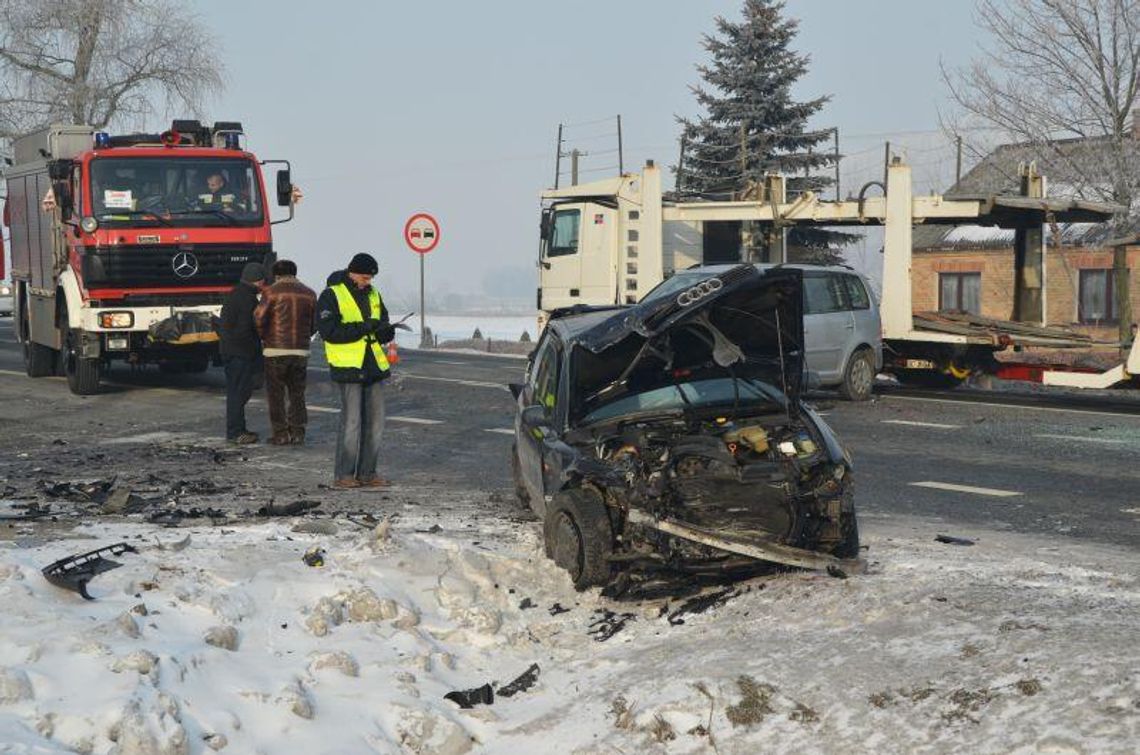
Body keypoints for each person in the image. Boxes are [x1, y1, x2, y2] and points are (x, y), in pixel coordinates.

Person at [316, 252, 396, 489]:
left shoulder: (374, 294)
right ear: (352, 272)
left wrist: (385, 331)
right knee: (351, 423)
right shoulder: (331, 295)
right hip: (348, 366)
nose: (367, 282)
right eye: (364, 277)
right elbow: (329, 332)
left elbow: (382, 322)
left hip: (373, 366)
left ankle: (368, 473)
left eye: (370, 278)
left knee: (376, 424)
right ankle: (344, 475)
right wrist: (363, 327)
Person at [255, 259, 317, 445]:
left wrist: (265, 336)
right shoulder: (310, 293)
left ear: (276, 275)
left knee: (276, 395)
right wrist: (304, 338)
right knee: (297, 394)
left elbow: (259, 318)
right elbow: (315, 324)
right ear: (294, 273)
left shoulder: (270, 292)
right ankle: (298, 432)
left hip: (275, 350)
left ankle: (281, 433)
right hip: (300, 351)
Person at [220, 262, 266, 444]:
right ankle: (235, 432)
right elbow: (247, 328)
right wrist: (253, 350)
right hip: (241, 353)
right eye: (263, 281)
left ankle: (239, 429)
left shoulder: (236, 294)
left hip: (231, 351)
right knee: (238, 394)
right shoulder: (248, 299)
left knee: (237, 393)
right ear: (257, 281)